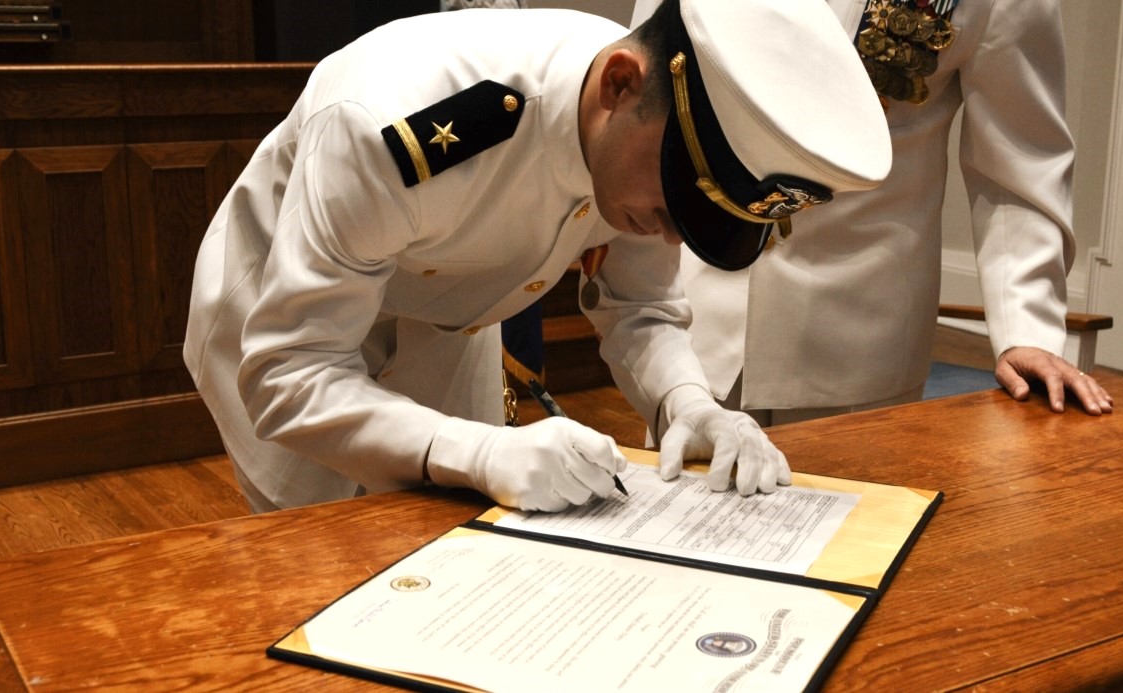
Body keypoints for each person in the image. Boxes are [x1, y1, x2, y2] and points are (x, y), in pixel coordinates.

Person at [183, 0, 892, 513]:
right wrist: (481, 450)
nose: (675, 234)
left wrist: (690, 404)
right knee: (317, 550)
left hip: (450, 319)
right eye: (680, 197)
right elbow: (292, 372)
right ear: (619, 84)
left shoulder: (645, 138)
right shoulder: (390, 124)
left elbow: (639, 307)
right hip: (283, 312)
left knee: (449, 545)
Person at [630, 0, 1114, 424]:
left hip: (859, 342)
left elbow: (1018, 164)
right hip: (696, 316)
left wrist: (1026, 331)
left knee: (863, 526)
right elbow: (645, 83)